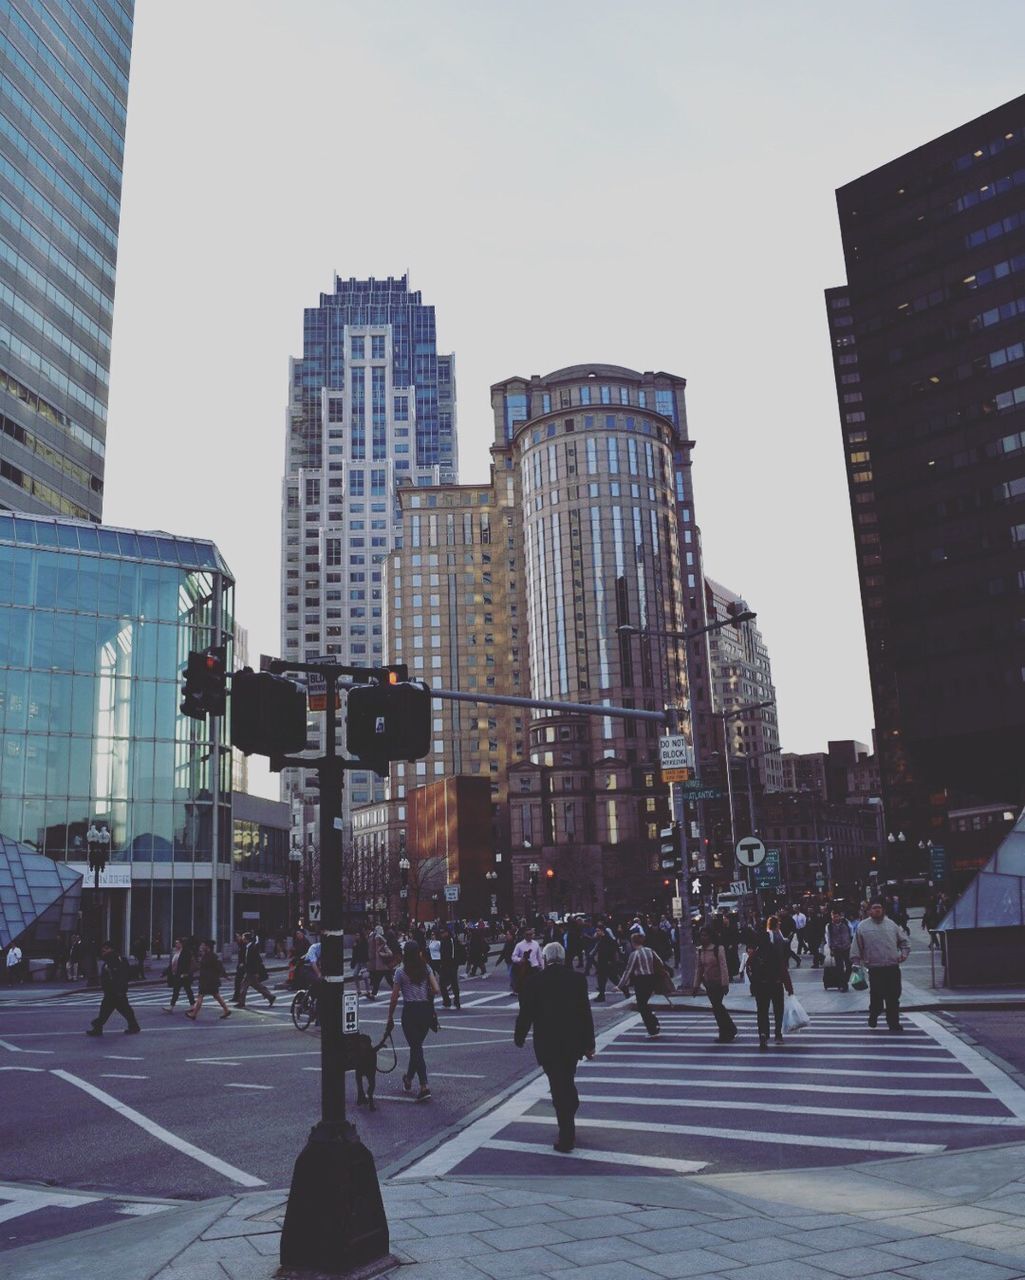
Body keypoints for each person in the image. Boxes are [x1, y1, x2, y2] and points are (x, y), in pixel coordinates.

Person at [514, 941, 595, 1153]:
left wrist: (519, 1035)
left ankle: (566, 1135)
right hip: (572, 1043)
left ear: (546, 958)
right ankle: (570, 1109)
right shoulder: (577, 980)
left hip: (547, 1043)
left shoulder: (534, 981)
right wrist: (589, 1043)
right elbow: (585, 1012)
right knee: (566, 1081)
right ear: (563, 957)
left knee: (558, 1087)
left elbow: (526, 1013)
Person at [385, 940, 440, 1101]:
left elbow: (394, 997)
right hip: (425, 1011)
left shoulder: (400, 972)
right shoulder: (426, 968)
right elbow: (436, 989)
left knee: (416, 1048)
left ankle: (424, 1086)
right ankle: (408, 1079)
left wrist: (390, 1017)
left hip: (410, 1012)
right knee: (416, 1048)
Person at [854, 901, 911, 1031]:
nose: (877, 910)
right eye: (874, 908)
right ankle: (874, 1014)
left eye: (879, 907)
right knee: (877, 998)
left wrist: (904, 953)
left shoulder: (891, 925)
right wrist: (856, 964)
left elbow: (904, 941)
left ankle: (893, 1023)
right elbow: (856, 947)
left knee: (894, 996)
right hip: (875, 968)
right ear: (869, 911)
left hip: (892, 966)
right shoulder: (862, 927)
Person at [746, 919, 793, 1050]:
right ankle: (778, 1034)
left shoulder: (755, 954)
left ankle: (763, 1034)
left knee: (762, 1012)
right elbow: (783, 970)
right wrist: (789, 988)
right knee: (778, 1011)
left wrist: (754, 983)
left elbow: (748, 968)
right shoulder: (774, 952)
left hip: (761, 986)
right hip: (776, 985)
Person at [692, 927, 738, 1043]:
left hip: (718, 983)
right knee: (717, 1007)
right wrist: (696, 986)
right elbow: (699, 969)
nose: (703, 938)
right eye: (702, 935)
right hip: (708, 983)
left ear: (710, 936)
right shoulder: (700, 950)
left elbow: (723, 967)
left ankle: (726, 1032)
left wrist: (725, 984)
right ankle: (729, 1029)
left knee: (717, 1007)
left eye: (705, 935)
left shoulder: (718, 949)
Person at [86, 941, 140, 1036]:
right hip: (115, 991)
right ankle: (133, 1026)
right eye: (103, 948)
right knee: (124, 1010)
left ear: (111, 949)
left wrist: (119, 988)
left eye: (106, 948)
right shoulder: (113, 959)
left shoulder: (114, 959)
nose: (103, 950)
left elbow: (121, 976)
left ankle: (97, 1026)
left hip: (114, 991)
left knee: (107, 1010)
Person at [617, 933, 662, 1038]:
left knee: (642, 1005)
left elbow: (628, 970)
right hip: (651, 978)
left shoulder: (635, 954)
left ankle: (652, 1028)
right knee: (644, 1003)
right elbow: (660, 962)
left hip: (641, 980)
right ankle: (653, 1022)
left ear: (633, 942)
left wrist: (620, 985)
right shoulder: (650, 951)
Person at [187, 942, 232, 1020]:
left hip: (207, 980)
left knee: (201, 995)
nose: (201, 946)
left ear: (207, 947)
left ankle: (194, 1014)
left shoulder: (211, 956)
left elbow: (219, 967)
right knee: (216, 995)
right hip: (210, 980)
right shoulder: (207, 955)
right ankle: (226, 1010)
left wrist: (225, 975)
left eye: (203, 945)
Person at [238, 933, 276, 1008]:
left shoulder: (252, 947)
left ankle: (241, 1003)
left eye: (243, 937)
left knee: (243, 986)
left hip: (251, 971)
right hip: (249, 970)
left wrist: (256, 972)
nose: (242, 939)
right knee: (257, 986)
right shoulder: (248, 947)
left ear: (246, 939)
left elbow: (256, 961)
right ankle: (270, 997)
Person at [163, 937, 196, 1013]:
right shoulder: (176, 952)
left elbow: (187, 964)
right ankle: (192, 1005)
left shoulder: (186, 952)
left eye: (177, 942)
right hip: (177, 975)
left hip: (184, 975)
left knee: (182, 990)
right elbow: (173, 964)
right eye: (176, 943)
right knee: (183, 990)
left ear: (181, 943)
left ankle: (172, 1006)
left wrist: (185, 973)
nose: (176, 944)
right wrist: (165, 972)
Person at [825, 909, 853, 992]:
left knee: (849, 966)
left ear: (840, 916)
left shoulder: (846, 923)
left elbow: (851, 932)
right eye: (833, 916)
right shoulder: (829, 926)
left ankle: (844, 981)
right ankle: (843, 985)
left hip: (846, 947)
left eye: (836, 916)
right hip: (836, 948)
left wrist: (850, 942)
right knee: (839, 967)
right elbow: (828, 937)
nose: (835, 918)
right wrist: (830, 948)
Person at [510, 926, 543, 992]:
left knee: (535, 984)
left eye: (530, 934)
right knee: (525, 985)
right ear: (524, 935)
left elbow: (540, 956)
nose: (529, 936)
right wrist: (520, 959)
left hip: (534, 967)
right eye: (527, 934)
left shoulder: (536, 944)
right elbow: (513, 957)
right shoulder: (519, 945)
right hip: (524, 968)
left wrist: (542, 966)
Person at [437, 926, 462, 1010]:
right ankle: (449, 1001)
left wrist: (452, 964)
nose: (442, 934)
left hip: (450, 965)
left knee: (452, 984)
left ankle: (453, 1002)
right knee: (445, 984)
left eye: (443, 932)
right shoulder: (445, 941)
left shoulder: (451, 941)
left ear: (447, 932)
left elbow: (452, 954)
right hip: (446, 966)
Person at [368, 925, 394, 999]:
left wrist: (382, 954)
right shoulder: (378, 945)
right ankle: (396, 992)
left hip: (383, 966)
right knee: (388, 980)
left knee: (379, 980)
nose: (376, 941)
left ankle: (373, 994)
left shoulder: (383, 945)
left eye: (377, 939)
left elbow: (390, 953)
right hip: (382, 967)